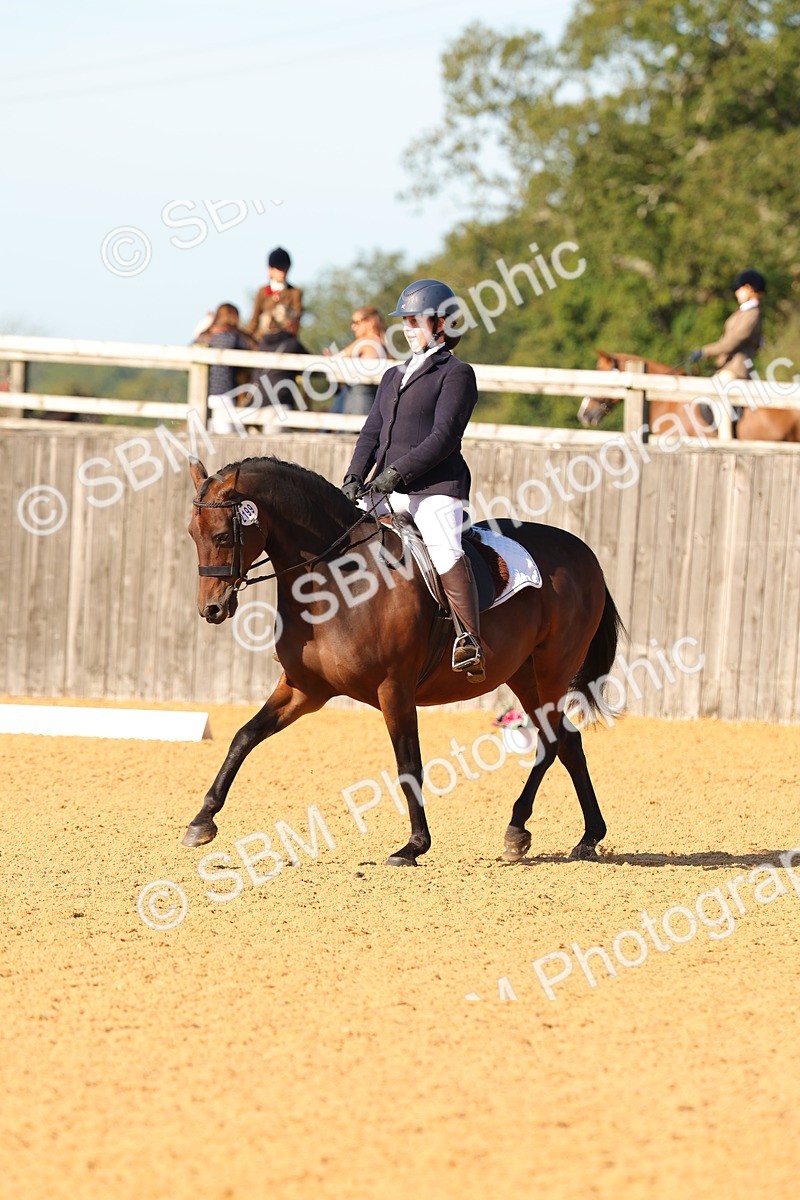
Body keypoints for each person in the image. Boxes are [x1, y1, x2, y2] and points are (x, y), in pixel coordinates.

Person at [341, 278, 484, 680]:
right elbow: (371, 432)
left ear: (442, 324)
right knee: (335, 534)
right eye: (404, 320)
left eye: (415, 320)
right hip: (384, 487)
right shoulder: (393, 375)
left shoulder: (457, 374)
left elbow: (443, 438)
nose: (407, 328)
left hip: (434, 488)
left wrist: (397, 472)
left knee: (443, 549)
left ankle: (470, 639)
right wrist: (355, 476)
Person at [245, 247, 308, 412]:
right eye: (280, 269)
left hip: (285, 341)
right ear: (270, 270)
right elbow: (254, 320)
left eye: (285, 269)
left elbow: (296, 320)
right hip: (262, 341)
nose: (283, 273)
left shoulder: (295, 292)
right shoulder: (261, 292)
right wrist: (246, 337)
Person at [690, 268, 766, 382]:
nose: (736, 292)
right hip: (725, 368)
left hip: (735, 371)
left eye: (740, 289)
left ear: (749, 289)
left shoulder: (752, 315)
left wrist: (705, 351)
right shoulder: (743, 312)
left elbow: (731, 343)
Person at [193, 303, 257, 433]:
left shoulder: (207, 337)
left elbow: (194, 344)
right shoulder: (233, 337)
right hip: (225, 395)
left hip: (203, 395)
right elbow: (254, 348)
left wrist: (208, 325)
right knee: (228, 440)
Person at [324, 306, 391, 415]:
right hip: (372, 400)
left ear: (370, 322)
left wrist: (329, 358)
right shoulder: (382, 344)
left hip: (358, 400)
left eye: (356, 322)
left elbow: (337, 359)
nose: (353, 327)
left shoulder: (365, 342)